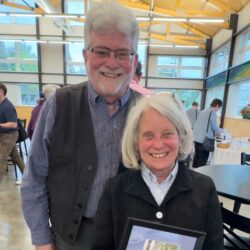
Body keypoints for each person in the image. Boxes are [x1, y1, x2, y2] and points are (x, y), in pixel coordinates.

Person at [21, 1, 140, 250]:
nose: (111, 62)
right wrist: (43, 242)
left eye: (122, 53)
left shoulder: (146, 113)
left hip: (129, 239)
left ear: (134, 59)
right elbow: (34, 179)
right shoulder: (58, 105)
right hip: (69, 240)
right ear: (85, 55)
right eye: (101, 51)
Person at [91, 93, 223, 250]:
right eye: (148, 135)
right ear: (135, 142)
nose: (158, 145)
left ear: (181, 137)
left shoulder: (205, 188)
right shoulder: (114, 190)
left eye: (167, 134)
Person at [0, 83, 25, 181]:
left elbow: (13, 124)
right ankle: (29, 178)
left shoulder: (7, 106)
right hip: (4, 135)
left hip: (9, 135)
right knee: (16, 158)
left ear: (1, 91)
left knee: (1, 158)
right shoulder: (1, 104)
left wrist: (0, 125)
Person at [192, 98, 223, 168]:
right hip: (204, 139)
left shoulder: (204, 111)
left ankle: (194, 171)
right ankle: (200, 174)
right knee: (203, 157)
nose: (219, 109)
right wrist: (219, 131)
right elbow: (214, 125)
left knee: (197, 155)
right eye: (220, 107)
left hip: (196, 137)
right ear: (217, 105)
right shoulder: (212, 112)